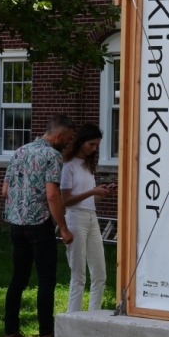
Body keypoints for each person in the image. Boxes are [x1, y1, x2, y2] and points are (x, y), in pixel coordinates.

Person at [0, 113, 76, 337]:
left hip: (16, 225)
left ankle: (11, 334)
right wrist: (63, 228)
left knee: (18, 280)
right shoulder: (52, 156)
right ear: (59, 135)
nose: (69, 144)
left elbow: (5, 191)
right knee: (46, 280)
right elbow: (52, 195)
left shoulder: (20, 151)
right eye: (69, 139)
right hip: (39, 224)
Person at [58, 123, 110, 313]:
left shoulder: (88, 166)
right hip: (75, 219)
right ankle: (74, 318)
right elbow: (66, 200)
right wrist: (92, 191)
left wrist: (101, 193)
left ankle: (94, 316)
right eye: (91, 144)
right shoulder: (68, 166)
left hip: (91, 217)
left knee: (100, 274)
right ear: (80, 142)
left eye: (97, 146)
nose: (94, 149)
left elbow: (90, 197)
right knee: (78, 274)